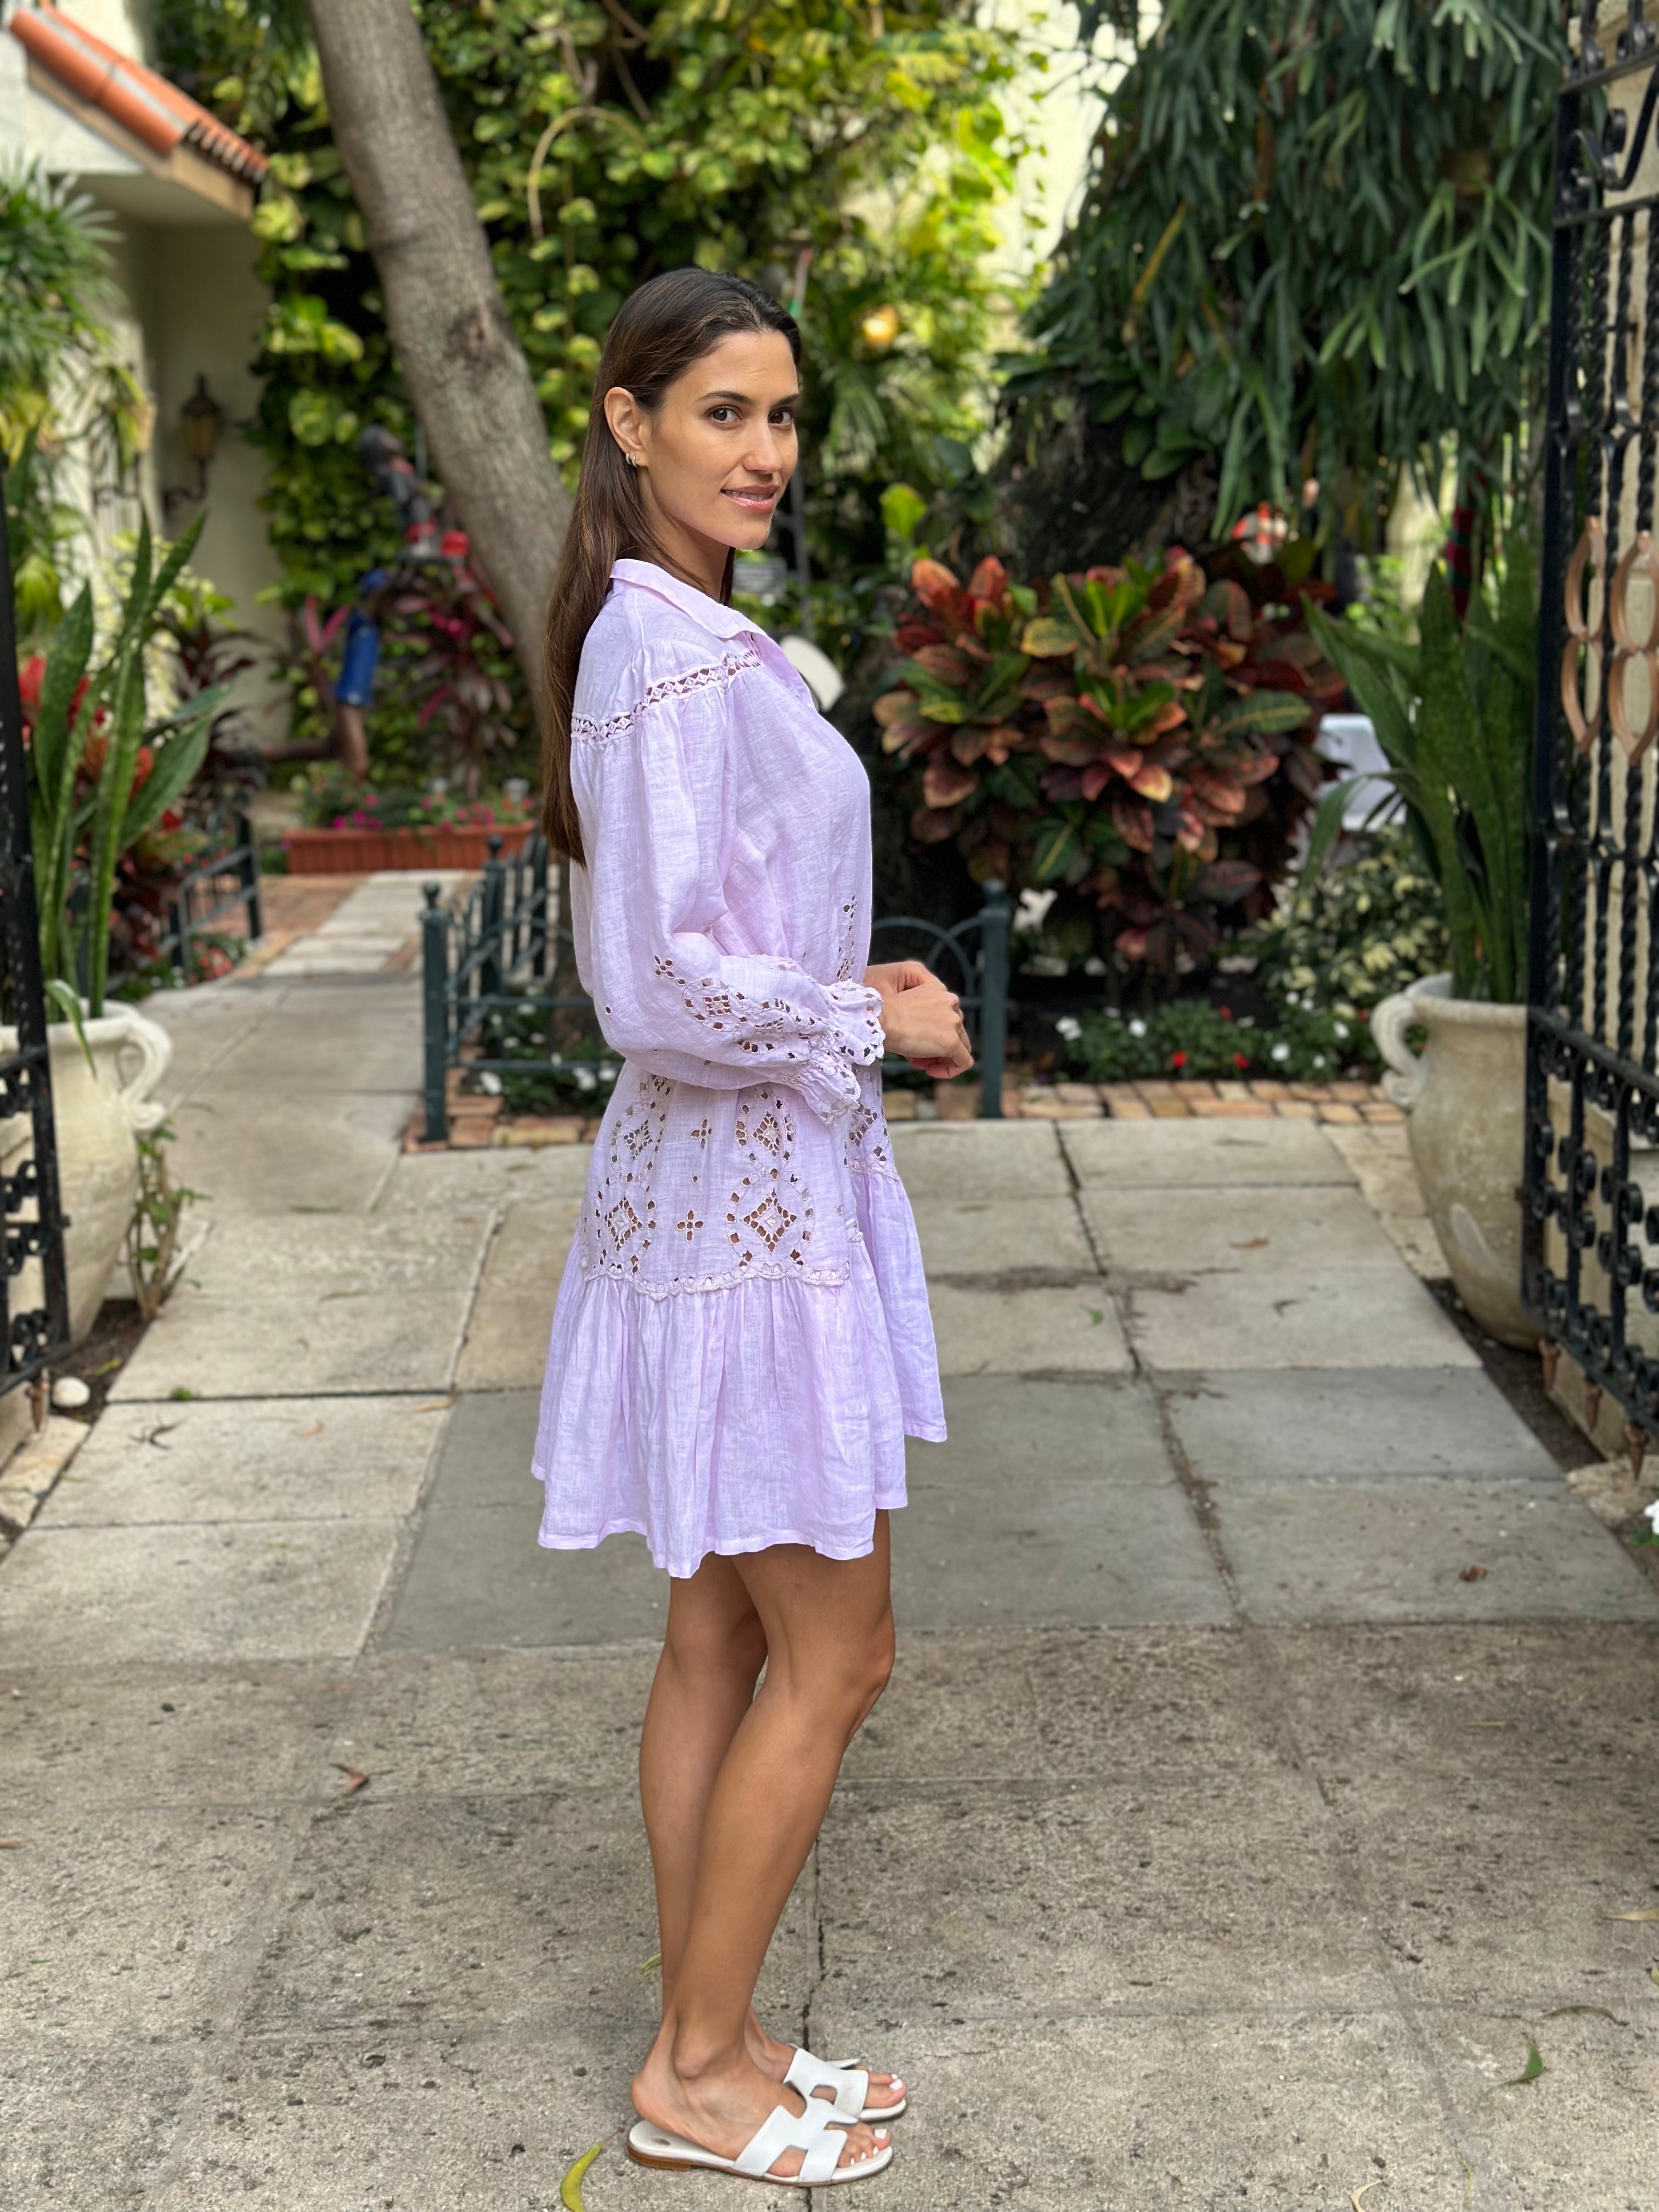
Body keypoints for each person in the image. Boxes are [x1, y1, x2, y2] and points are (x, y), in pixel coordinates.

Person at [534, 268, 971, 2188]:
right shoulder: (667, 650)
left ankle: (706, 2033)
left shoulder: (687, 634)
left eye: (783, 416)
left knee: (719, 1635)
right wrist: (862, 1019)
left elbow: (711, 933)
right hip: (744, 1218)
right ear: (630, 424)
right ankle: (697, 2073)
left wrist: (839, 984)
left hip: (735, 1194)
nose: (768, 450)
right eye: (725, 411)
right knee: (841, 1650)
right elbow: (650, 984)